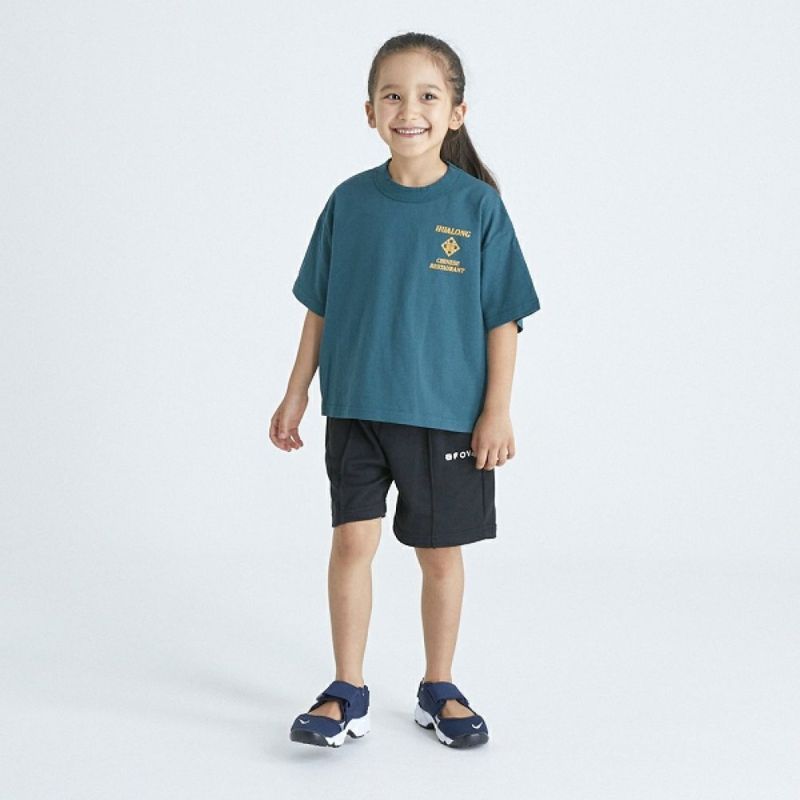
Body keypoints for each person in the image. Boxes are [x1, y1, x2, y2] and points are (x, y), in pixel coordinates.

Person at [270, 32, 541, 749]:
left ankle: (439, 686)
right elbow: (319, 307)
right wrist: (297, 392)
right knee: (351, 541)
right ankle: (346, 689)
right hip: (356, 407)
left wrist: (497, 411)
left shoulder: (477, 207)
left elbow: (503, 318)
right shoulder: (349, 202)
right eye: (392, 95)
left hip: (446, 416)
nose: (408, 110)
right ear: (370, 112)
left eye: (427, 96)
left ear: (456, 112)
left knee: (439, 555)